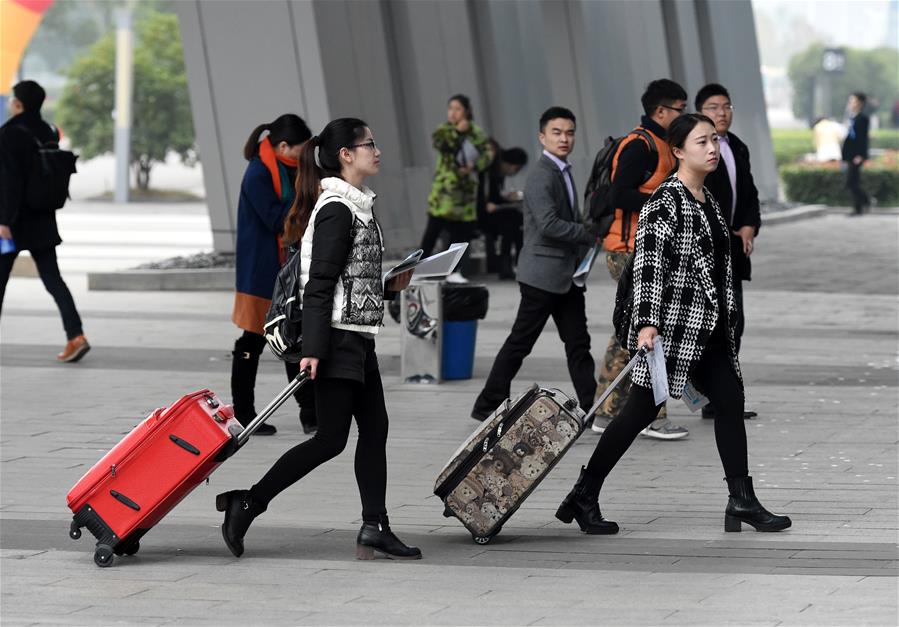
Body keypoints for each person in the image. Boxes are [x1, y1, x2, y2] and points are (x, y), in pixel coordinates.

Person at [556, 114, 792, 536]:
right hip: (675, 331)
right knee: (637, 413)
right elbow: (648, 267)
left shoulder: (706, 199)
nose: (712, 148)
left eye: (714, 140)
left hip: (710, 329)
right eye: (702, 142)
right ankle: (584, 493)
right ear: (678, 151)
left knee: (729, 403)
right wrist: (647, 324)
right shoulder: (665, 201)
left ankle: (741, 500)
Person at [217, 118, 421, 561]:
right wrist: (312, 350)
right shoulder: (336, 210)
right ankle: (247, 503)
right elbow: (319, 284)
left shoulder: (357, 205)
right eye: (369, 144)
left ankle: (375, 525)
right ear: (346, 154)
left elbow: (349, 277)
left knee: (374, 429)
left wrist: (387, 286)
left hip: (357, 337)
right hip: (336, 340)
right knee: (330, 439)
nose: (377, 151)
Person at [470, 107, 598, 421]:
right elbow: (549, 224)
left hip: (565, 276)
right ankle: (488, 404)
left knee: (578, 343)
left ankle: (591, 406)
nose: (564, 138)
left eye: (569, 132)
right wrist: (588, 234)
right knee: (521, 342)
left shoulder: (561, 171)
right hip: (542, 276)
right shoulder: (542, 174)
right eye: (557, 132)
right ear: (542, 137)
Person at [591, 79, 689, 440]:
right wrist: (662, 204)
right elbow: (619, 195)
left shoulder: (663, 144)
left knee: (636, 331)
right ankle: (645, 415)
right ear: (660, 111)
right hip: (629, 251)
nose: (685, 115)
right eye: (680, 109)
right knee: (646, 331)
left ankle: (609, 411)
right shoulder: (640, 145)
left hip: (644, 249)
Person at [230, 114, 315, 436]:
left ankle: (310, 412)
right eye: (301, 149)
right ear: (283, 146)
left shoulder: (293, 168)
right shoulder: (258, 173)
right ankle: (244, 413)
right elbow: (275, 218)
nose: (305, 155)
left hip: (287, 267)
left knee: (293, 335)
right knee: (252, 339)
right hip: (262, 269)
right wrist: (309, 204)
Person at [0, 80, 89, 363]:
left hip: (15, 222)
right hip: (43, 219)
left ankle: (76, 337)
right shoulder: (48, 130)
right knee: (53, 279)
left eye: (11, 99)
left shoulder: (9, 133)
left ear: (18, 104)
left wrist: (5, 220)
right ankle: (76, 336)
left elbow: (10, 182)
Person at [696, 83, 761, 420]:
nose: (721, 113)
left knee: (734, 324)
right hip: (707, 252)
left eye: (726, 106)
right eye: (713, 107)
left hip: (733, 250)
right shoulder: (697, 151)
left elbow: (750, 193)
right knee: (714, 326)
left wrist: (749, 225)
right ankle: (712, 396)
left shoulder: (737, 146)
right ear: (699, 112)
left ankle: (721, 399)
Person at [420, 94, 491, 283]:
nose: (453, 112)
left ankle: (454, 270)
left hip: (465, 194)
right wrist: (458, 133)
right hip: (444, 193)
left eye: (458, 109)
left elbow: (488, 154)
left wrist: (474, 166)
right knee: (432, 232)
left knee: (461, 233)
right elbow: (441, 145)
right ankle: (415, 269)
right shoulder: (444, 130)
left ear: (466, 111)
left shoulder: (476, 133)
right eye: (450, 108)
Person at [477, 140, 528, 280]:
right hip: (480, 214)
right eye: (516, 169)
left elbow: (495, 197)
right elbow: (483, 197)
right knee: (511, 221)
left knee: (516, 219)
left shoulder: (497, 174)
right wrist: (495, 202)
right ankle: (509, 264)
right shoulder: (488, 171)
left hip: (492, 212)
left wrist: (508, 198)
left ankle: (515, 263)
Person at [842, 92, 870, 216]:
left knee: (851, 182)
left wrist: (860, 155)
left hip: (857, 156)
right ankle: (863, 203)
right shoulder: (851, 118)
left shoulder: (863, 119)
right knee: (852, 182)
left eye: (852, 101)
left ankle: (863, 203)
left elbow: (863, 139)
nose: (850, 103)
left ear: (859, 103)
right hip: (850, 155)